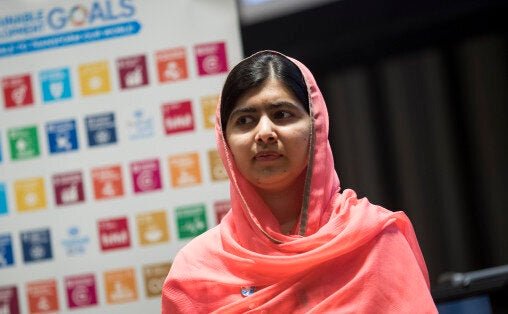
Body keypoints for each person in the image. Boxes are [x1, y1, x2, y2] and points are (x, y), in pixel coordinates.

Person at [161, 51, 437, 313]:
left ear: (315, 125)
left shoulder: (374, 240)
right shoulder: (196, 272)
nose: (265, 133)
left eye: (282, 114)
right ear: (226, 141)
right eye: (245, 120)